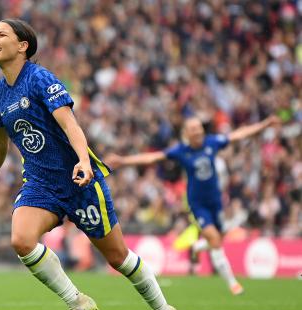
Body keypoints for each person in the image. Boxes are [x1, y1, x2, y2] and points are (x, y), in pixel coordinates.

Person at [0, 19, 184, 310]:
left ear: (23, 45)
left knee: (118, 259)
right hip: (40, 184)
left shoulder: (39, 78)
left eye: (1, 34)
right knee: (21, 240)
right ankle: (77, 302)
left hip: (79, 181)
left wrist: (83, 161)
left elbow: (70, 124)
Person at [106, 115, 280, 295]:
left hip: (216, 202)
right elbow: (153, 157)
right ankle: (233, 284)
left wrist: (264, 124)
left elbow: (239, 135)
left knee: (219, 237)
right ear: (186, 133)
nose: (198, 131)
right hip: (198, 205)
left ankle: (198, 246)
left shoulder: (212, 142)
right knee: (214, 238)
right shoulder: (181, 151)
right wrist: (124, 161)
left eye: (199, 128)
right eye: (193, 129)